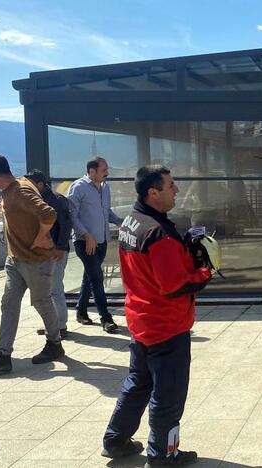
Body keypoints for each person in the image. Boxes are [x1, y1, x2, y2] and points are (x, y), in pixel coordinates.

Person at [102, 165, 211, 467]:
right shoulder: (159, 233)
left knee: (138, 382)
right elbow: (175, 285)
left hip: (141, 320)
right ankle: (164, 454)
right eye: (171, 185)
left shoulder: (132, 222)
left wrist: (184, 250)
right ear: (153, 192)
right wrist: (206, 271)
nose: (176, 190)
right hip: (167, 325)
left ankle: (115, 439)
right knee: (168, 395)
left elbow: (153, 270)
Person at [0, 154, 64, 374]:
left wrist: (41, 236)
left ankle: (55, 343)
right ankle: (3, 355)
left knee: (41, 302)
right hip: (15, 259)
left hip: (35, 260)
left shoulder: (21, 191)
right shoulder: (14, 187)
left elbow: (49, 213)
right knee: (8, 303)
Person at [66, 156, 124, 333]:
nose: (107, 173)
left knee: (89, 277)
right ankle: (106, 318)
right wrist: (86, 234)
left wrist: (120, 222)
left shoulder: (105, 188)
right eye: (103, 170)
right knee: (97, 279)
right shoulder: (78, 187)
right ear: (92, 171)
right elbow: (71, 214)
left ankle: (81, 311)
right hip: (85, 243)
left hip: (102, 240)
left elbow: (106, 211)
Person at [26, 169, 72, 340]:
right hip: (43, 251)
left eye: (31, 184)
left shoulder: (57, 200)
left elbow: (66, 225)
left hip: (56, 251)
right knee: (47, 289)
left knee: (55, 288)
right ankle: (52, 324)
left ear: (40, 184)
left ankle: (61, 325)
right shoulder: (36, 199)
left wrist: (60, 247)